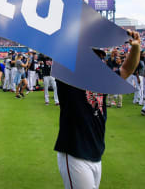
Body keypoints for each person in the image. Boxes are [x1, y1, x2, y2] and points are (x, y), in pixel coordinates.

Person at [54, 30, 140, 189]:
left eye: (101, 56)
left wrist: (135, 47)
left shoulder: (102, 78)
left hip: (95, 151)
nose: (100, 59)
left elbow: (127, 70)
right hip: (75, 151)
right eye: (95, 55)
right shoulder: (68, 74)